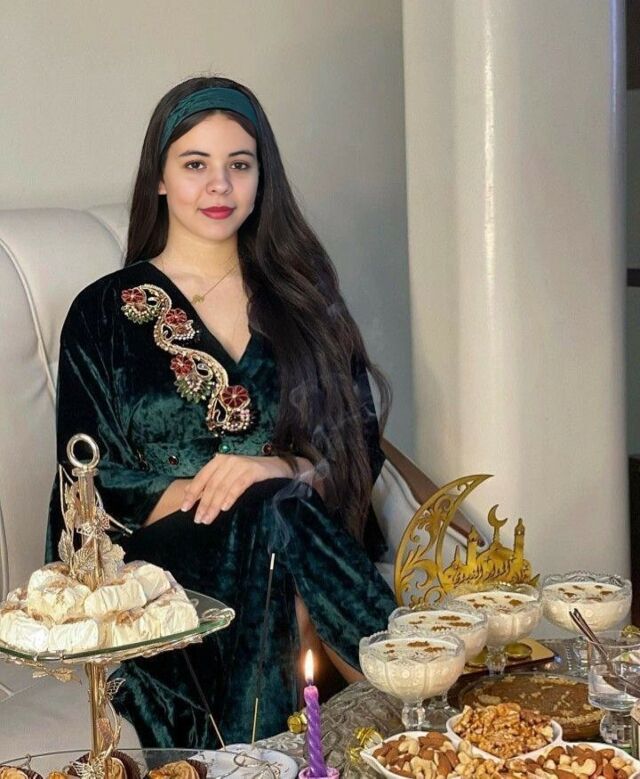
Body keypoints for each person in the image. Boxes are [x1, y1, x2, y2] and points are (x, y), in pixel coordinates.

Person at [46, 75, 397, 747]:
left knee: (275, 505)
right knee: (268, 508)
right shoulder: (103, 312)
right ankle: (411, 698)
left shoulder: (302, 297)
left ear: (263, 178)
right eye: (194, 165)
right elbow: (87, 482)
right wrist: (225, 494)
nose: (219, 186)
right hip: (160, 580)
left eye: (239, 165)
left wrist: (276, 468)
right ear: (159, 178)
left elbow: (358, 445)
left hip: (295, 545)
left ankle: (300, 744)